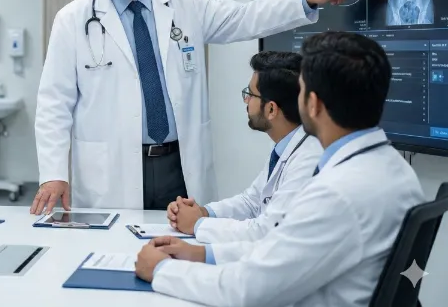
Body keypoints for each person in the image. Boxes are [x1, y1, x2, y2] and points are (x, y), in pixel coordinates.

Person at [31, 0, 358, 213]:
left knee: (183, 246)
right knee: (114, 254)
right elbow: (53, 104)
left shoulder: (183, 2)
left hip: (179, 162)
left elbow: (244, 17)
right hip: (110, 170)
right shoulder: (73, 19)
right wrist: (53, 173)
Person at [135, 31, 426, 307]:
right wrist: (202, 253)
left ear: (312, 103)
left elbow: (249, 289)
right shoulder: (396, 170)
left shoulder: (338, 193)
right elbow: (280, 246)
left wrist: (162, 271)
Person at [166, 51, 323, 261]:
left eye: (250, 94)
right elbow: (252, 202)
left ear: (271, 109)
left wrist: (197, 224)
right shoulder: (286, 144)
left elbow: (265, 233)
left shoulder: (308, 159)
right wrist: (203, 212)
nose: (246, 100)